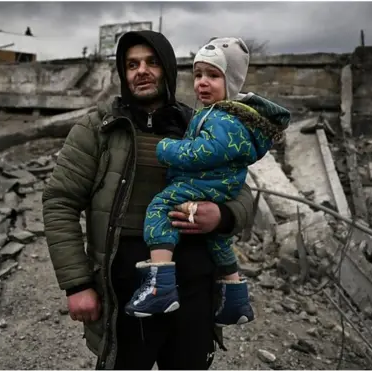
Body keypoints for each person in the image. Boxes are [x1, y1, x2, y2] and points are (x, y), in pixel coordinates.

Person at [42, 30, 255, 370]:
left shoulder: (201, 125)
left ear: (168, 69)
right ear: (123, 73)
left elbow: (243, 196)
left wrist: (223, 216)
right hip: (126, 291)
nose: (141, 70)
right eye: (131, 64)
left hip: (195, 290)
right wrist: (77, 284)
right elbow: (59, 202)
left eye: (152, 62)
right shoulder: (99, 128)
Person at [124, 37, 290, 327]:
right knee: (219, 242)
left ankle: (159, 283)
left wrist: (167, 149)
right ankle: (236, 300)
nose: (202, 82)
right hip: (218, 185)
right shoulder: (219, 114)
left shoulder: (222, 118)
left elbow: (207, 152)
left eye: (213, 75)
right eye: (198, 74)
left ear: (233, 81)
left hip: (205, 183)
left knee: (160, 207)